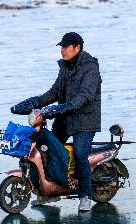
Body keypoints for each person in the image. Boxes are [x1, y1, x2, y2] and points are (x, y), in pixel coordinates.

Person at [11, 32, 101, 212]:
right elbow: (54, 92)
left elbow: (84, 97)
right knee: (46, 146)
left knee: (80, 153)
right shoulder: (65, 67)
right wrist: (32, 103)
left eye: (66, 47)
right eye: (61, 47)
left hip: (85, 119)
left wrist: (61, 108)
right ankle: (49, 191)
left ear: (77, 48)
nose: (62, 51)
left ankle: (85, 196)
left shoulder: (90, 68)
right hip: (66, 117)